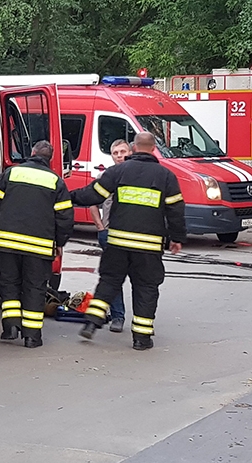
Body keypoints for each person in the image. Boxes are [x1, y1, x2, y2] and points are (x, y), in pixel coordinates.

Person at [72, 132, 186, 350]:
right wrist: (177, 238)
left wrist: (67, 197)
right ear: (153, 149)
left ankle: (92, 322)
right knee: (146, 288)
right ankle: (141, 339)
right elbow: (176, 210)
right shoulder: (166, 176)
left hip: (118, 243)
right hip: (149, 247)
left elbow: (93, 194)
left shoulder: (118, 171)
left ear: (133, 148)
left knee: (109, 282)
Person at [0, 140, 74, 348]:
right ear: (50, 159)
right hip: (39, 248)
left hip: (7, 242)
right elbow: (65, 217)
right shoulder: (56, 181)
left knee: (9, 284)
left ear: (32, 152)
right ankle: (32, 337)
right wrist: (60, 242)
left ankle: (10, 328)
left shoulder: (12, 173)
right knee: (35, 288)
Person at [88, 139, 129, 332]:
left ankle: (142, 318)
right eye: (115, 153)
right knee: (113, 277)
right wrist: (100, 226)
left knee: (138, 279)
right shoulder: (106, 177)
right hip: (110, 234)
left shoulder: (137, 176)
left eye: (123, 152)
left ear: (131, 152)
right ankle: (117, 316)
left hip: (133, 234)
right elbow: (92, 201)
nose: (119, 156)